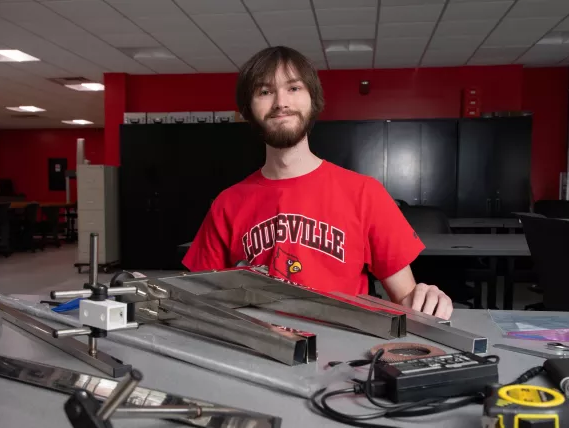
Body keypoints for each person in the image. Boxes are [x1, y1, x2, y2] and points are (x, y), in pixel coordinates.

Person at [183, 46, 453, 320]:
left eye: (294, 88)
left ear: (313, 100)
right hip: (260, 352)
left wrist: (426, 297)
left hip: (344, 353)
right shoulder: (227, 204)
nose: (280, 102)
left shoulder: (364, 193)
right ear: (248, 109)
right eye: (264, 92)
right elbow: (203, 300)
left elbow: (404, 297)